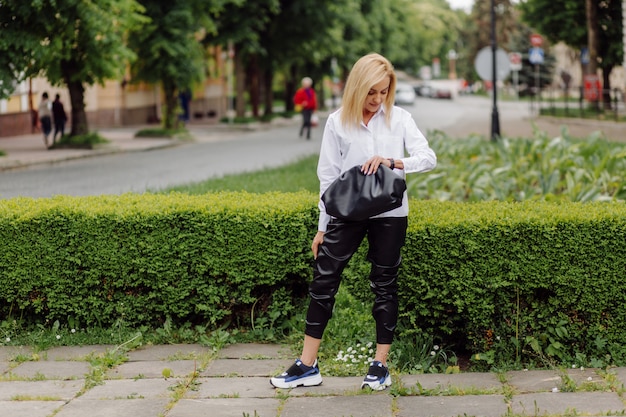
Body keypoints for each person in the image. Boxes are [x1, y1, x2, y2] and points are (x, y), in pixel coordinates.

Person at [270, 53, 437, 391]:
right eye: (371, 92)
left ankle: (380, 365)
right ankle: (307, 365)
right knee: (323, 281)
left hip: (390, 214)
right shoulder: (337, 122)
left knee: (384, 283)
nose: (377, 100)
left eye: (383, 92)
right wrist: (323, 226)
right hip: (346, 214)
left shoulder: (400, 118)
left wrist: (392, 161)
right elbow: (328, 178)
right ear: (357, 88)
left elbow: (427, 158)